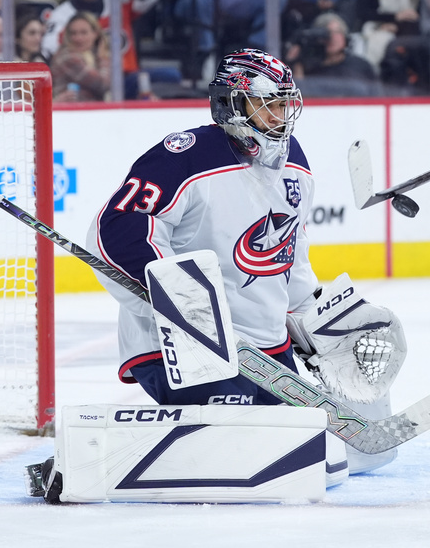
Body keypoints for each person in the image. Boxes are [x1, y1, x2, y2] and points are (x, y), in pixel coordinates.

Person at [79, 49, 396, 489]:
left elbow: (292, 259)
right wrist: (182, 304)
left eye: (285, 103)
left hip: (267, 354)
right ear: (232, 104)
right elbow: (116, 229)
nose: (281, 115)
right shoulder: (184, 156)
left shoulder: (296, 164)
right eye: (268, 103)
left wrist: (316, 325)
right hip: (182, 353)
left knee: (351, 452)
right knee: (298, 456)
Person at [41, 0, 171, 98]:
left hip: (127, 74)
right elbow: (49, 51)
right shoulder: (61, 16)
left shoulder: (117, 1)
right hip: (90, 82)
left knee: (170, 75)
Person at [49, 11, 111, 102]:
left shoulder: (92, 55)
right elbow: (102, 84)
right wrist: (103, 57)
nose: (78, 38)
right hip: (71, 112)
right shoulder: (68, 58)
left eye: (84, 33)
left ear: (96, 34)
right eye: (73, 33)